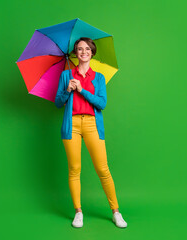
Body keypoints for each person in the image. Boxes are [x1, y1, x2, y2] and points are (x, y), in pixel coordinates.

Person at [55, 37, 127, 228]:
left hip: (92, 124)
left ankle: (116, 212)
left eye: (87, 49)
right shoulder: (66, 76)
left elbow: (101, 103)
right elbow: (57, 102)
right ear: (75, 53)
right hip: (72, 126)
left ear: (92, 52)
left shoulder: (99, 78)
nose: (83, 52)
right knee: (74, 170)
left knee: (103, 170)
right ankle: (78, 212)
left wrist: (82, 91)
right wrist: (67, 90)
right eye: (79, 49)